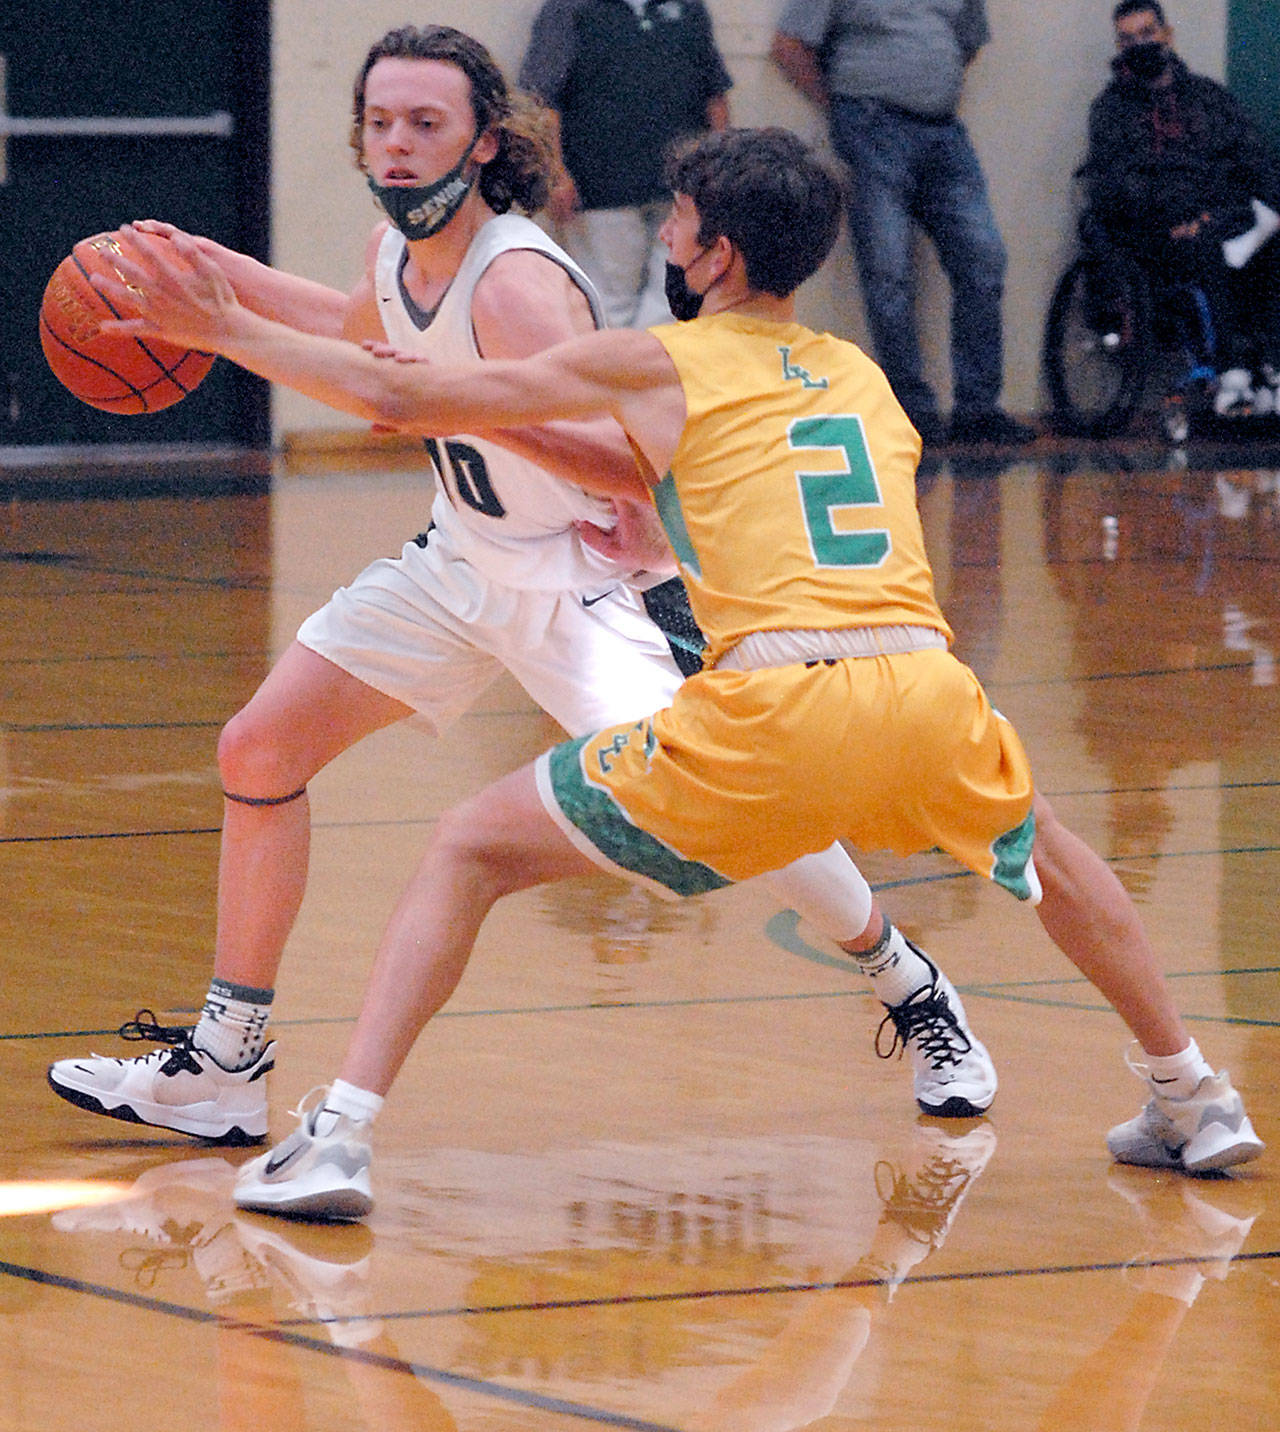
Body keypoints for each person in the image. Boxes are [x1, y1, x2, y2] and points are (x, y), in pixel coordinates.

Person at [91, 126, 1262, 1222]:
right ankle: (1192, 1093)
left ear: (718, 252)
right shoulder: (857, 376)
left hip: (776, 701)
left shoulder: (663, 356)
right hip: (923, 684)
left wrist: (221, 327)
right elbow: (735, 486)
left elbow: (400, 394)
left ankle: (337, 1135)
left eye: (679, 220)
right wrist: (654, 515)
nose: (662, 236)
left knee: (464, 849)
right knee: (1051, 859)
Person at [46, 29, 1001, 1151]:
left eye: (423, 125)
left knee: (754, 817)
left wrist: (489, 423)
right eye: (378, 123)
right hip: (462, 564)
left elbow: (627, 453)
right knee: (259, 750)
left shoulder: (513, 278)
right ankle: (224, 1062)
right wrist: (209, 275)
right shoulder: (395, 252)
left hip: (585, 587)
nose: (395, 147)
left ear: (484, 141)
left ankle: (906, 981)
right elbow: (351, 332)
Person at [769, 0, 1033, 449]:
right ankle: (912, 411)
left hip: (943, 131)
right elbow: (790, 46)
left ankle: (977, 410)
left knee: (983, 258)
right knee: (888, 273)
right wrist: (843, 109)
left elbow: (967, 42)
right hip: (870, 125)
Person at [1081, 0, 1280, 418]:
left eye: (1147, 33)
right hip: (1157, 230)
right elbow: (1117, 181)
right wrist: (1174, 216)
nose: (1140, 44)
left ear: (1167, 35)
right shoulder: (1112, 110)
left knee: (1266, 237)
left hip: (1223, 212)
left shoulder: (1209, 97)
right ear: (1119, 46)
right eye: (1128, 38)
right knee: (1208, 244)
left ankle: (1271, 366)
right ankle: (1232, 375)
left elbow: (1251, 154)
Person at [519, 0, 732, 329]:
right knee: (610, 300)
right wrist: (555, 174)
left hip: (682, 189)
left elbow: (714, 94)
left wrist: (723, 172)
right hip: (600, 186)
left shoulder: (688, 7)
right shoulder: (569, 8)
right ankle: (609, 376)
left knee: (675, 297)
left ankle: (644, 373)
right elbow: (543, 99)